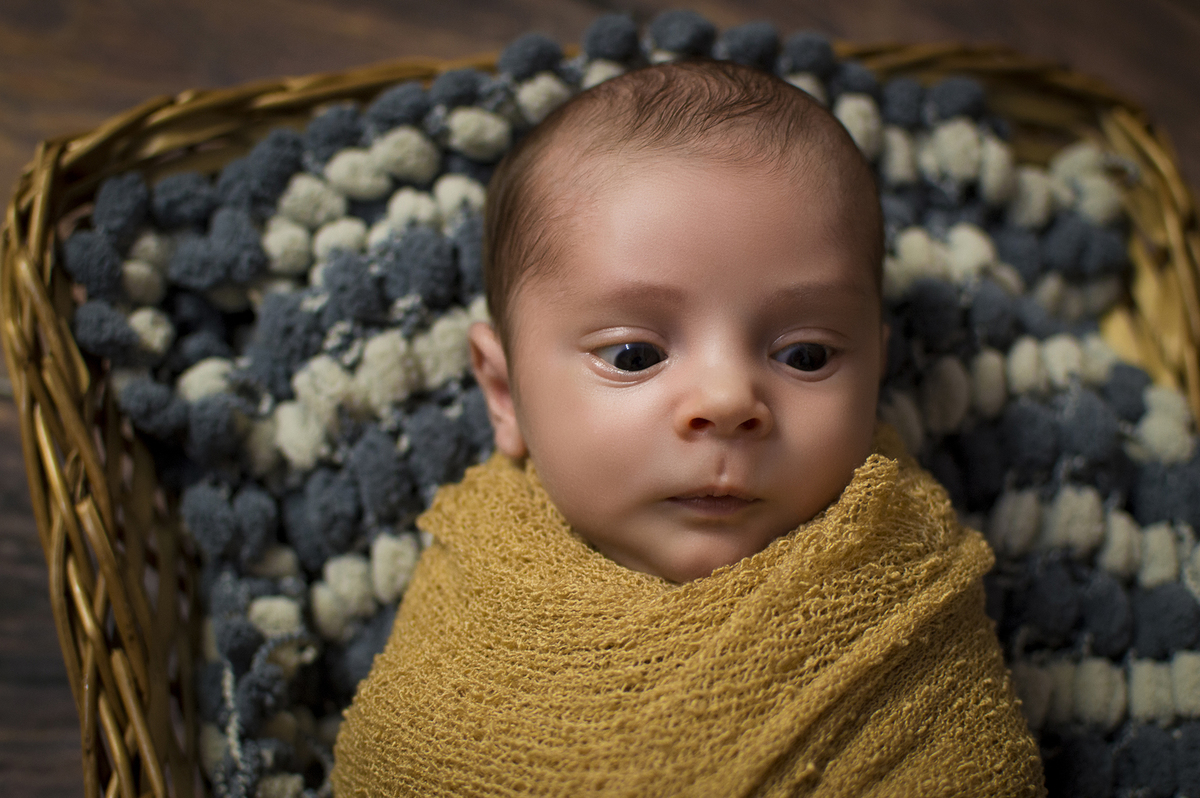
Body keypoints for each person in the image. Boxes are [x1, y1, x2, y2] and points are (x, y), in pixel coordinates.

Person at [332, 59, 1045, 796]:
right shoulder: (479, 592)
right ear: (505, 392)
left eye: (805, 355)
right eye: (635, 355)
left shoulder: (903, 583)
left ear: (875, 377)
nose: (729, 400)